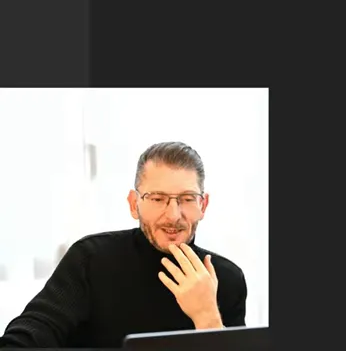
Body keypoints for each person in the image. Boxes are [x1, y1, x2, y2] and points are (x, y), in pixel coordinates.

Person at [0, 142, 247, 348]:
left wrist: (208, 318)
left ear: (202, 206)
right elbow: (32, 334)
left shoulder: (227, 279)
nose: (173, 215)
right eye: (158, 198)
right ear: (133, 204)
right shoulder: (91, 260)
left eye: (187, 199)